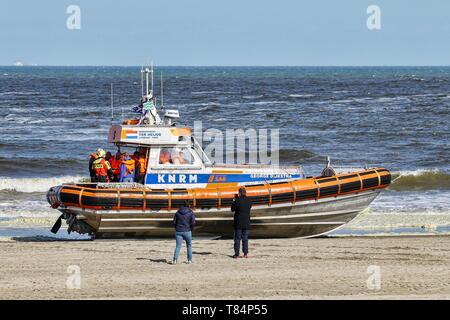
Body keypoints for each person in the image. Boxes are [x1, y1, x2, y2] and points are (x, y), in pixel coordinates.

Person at [172, 200, 195, 265]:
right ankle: (189, 260)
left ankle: (175, 260)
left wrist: (176, 228)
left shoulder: (177, 212)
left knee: (178, 246)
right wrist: (191, 229)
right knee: (189, 246)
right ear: (189, 205)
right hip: (187, 231)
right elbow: (193, 222)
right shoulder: (191, 212)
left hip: (178, 231)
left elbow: (174, 222)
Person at [231, 187, 252, 258]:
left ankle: (237, 254)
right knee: (245, 238)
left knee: (237, 238)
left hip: (238, 223)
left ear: (239, 193)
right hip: (246, 222)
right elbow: (249, 207)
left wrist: (234, 200)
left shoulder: (237, 200)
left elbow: (232, 209)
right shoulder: (249, 200)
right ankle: (245, 253)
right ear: (245, 192)